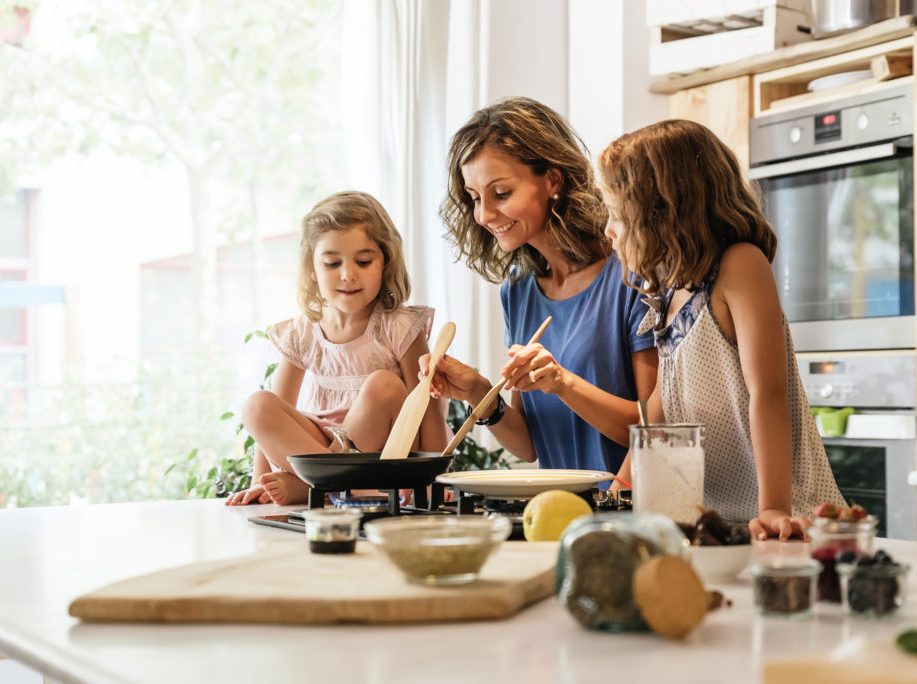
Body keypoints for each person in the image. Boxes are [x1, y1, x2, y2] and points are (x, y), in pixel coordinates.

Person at [597, 118, 845, 540]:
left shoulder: (740, 265)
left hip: (786, 518)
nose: (609, 230)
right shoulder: (670, 289)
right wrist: (617, 492)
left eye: (617, 214)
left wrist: (773, 508)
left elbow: (767, 394)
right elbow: (659, 409)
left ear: (663, 210)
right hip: (718, 524)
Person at [421, 97, 658, 480]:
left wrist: (563, 383)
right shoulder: (518, 291)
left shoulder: (631, 275)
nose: (483, 215)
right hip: (557, 516)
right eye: (475, 198)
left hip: (624, 517)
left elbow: (655, 430)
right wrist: (478, 391)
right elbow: (530, 445)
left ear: (552, 180)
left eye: (500, 193)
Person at [225, 191, 448, 506]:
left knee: (383, 384)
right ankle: (337, 486)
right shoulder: (302, 332)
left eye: (364, 261)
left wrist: (432, 484)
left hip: (380, 457)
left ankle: (319, 487)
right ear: (313, 270)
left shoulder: (399, 326)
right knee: (258, 405)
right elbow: (278, 409)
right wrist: (257, 482)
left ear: (385, 262)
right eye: (332, 263)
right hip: (321, 448)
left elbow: (428, 410)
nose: (348, 274)